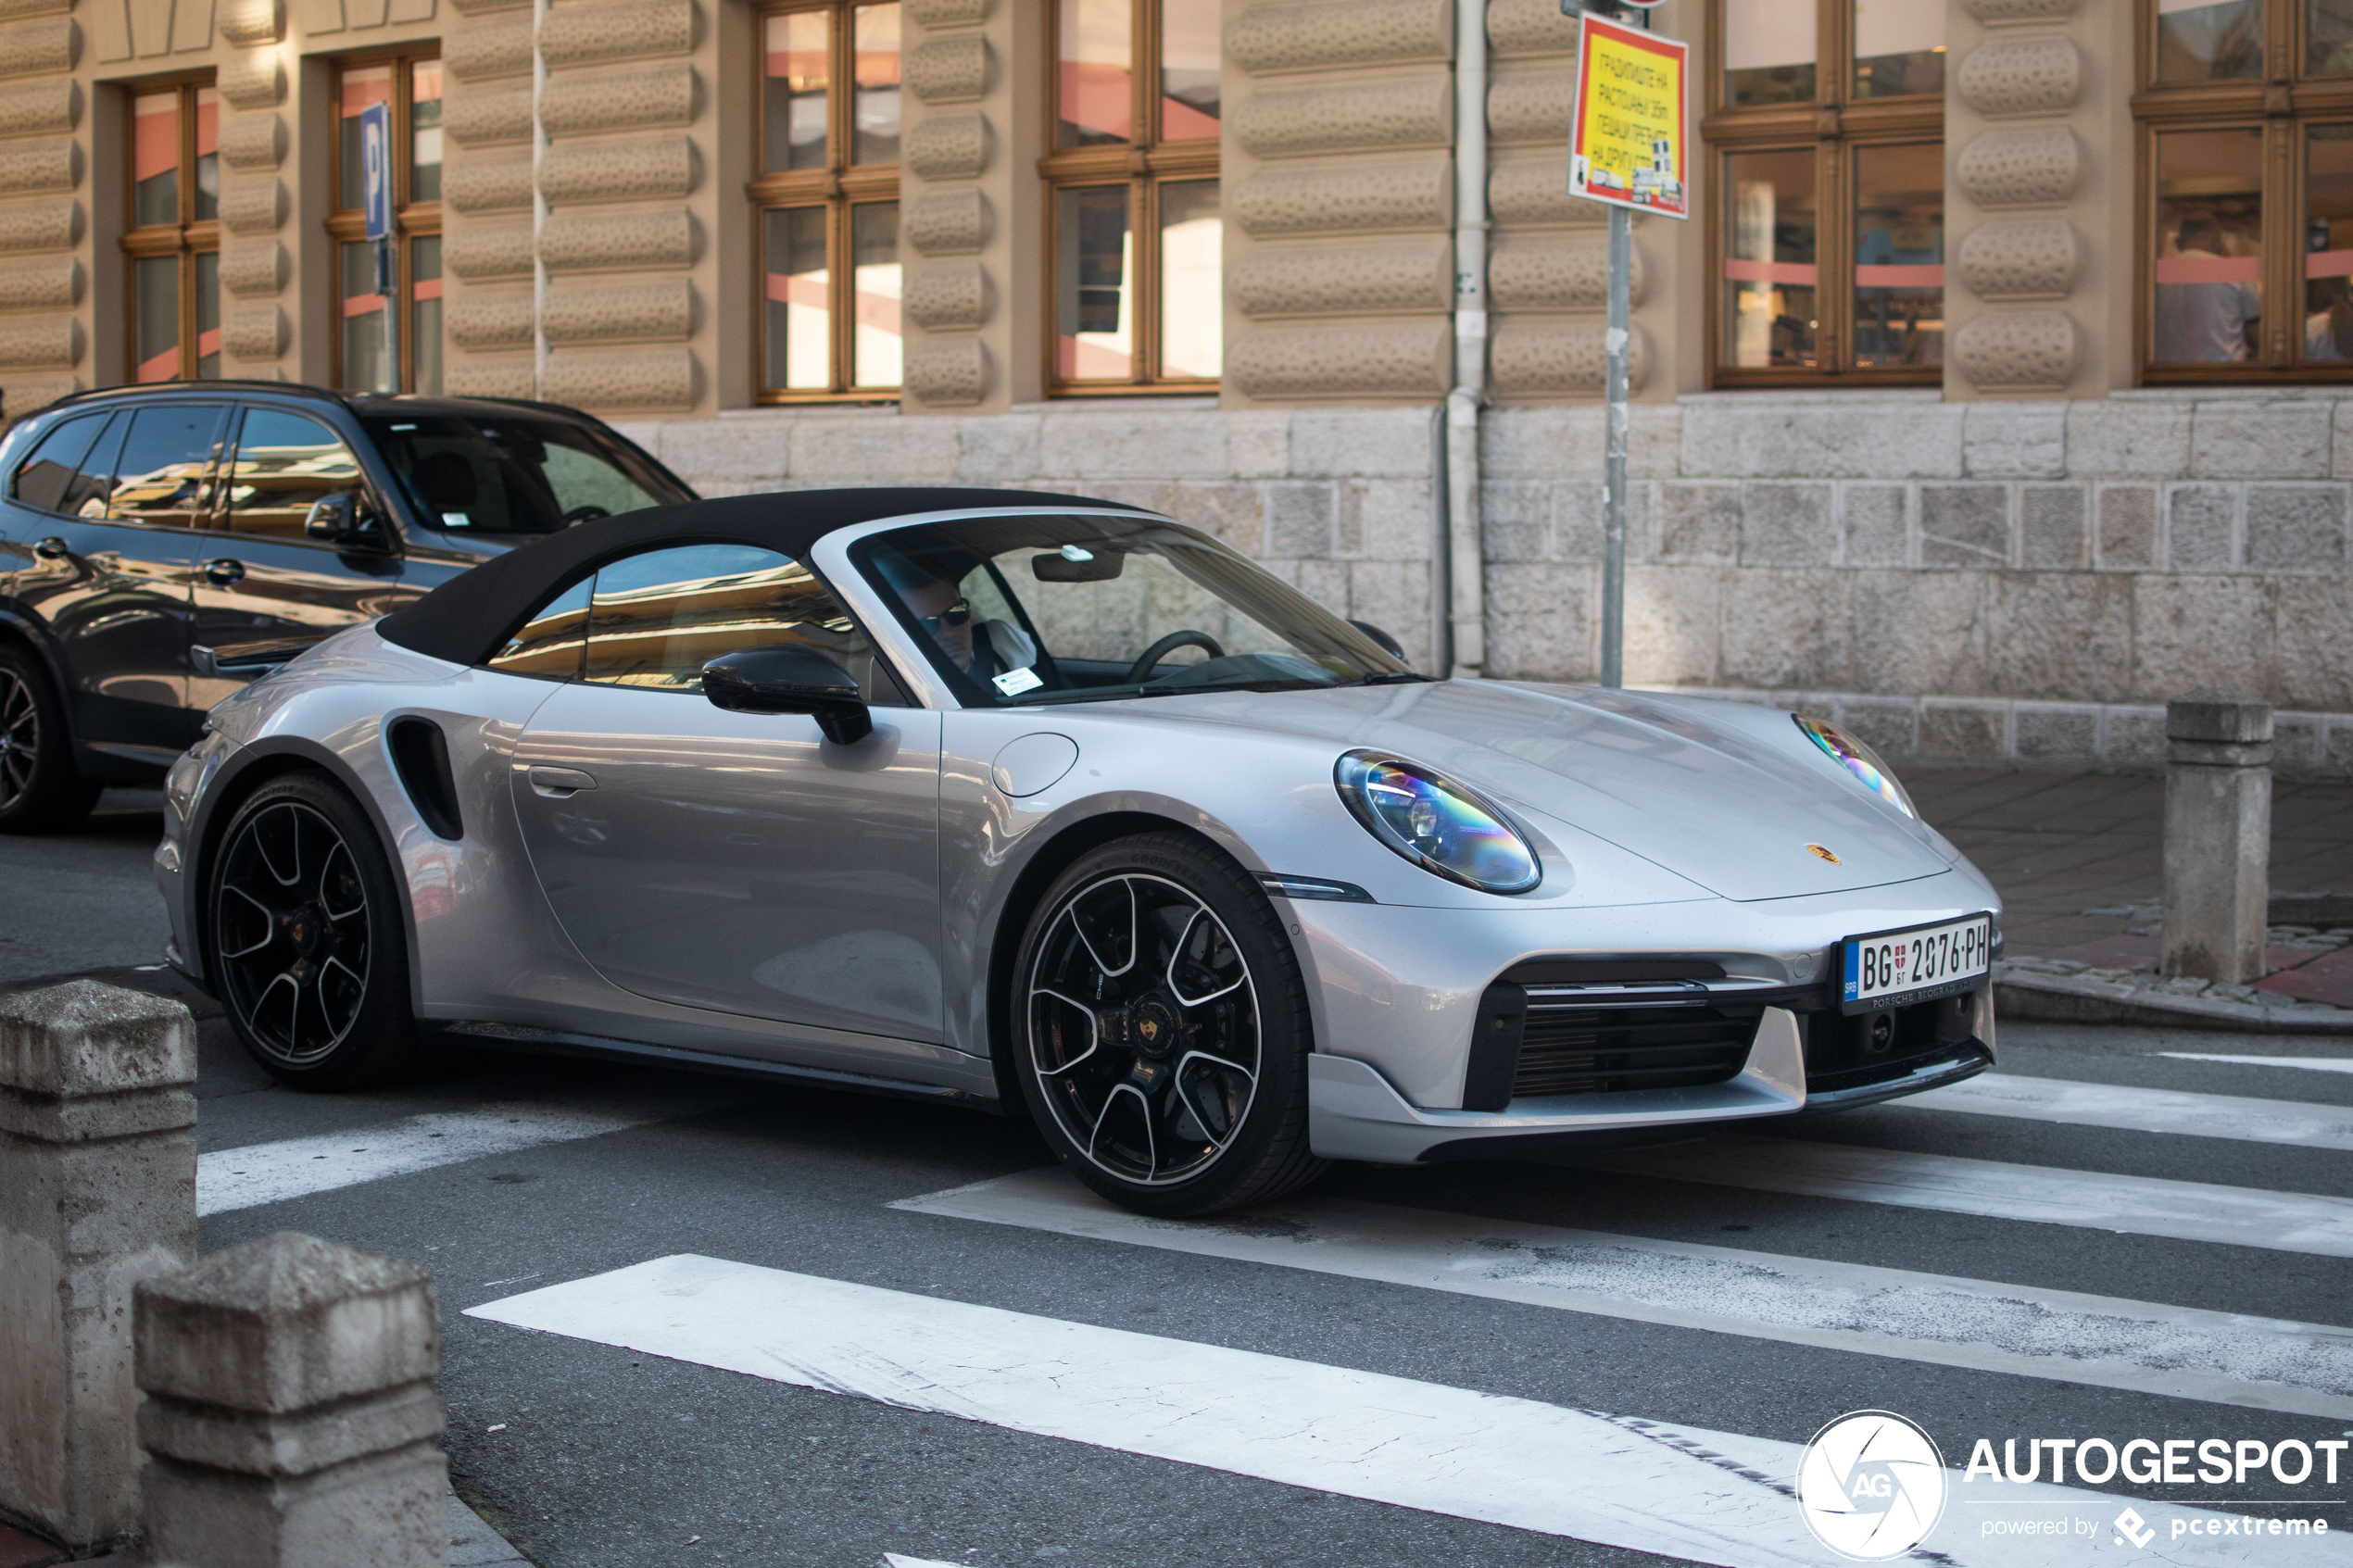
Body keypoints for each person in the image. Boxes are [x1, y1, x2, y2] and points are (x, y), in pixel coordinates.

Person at [884, 548, 1038, 686]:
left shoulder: (1000, 641)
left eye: (956, 613)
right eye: (928, 624)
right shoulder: (904, 688)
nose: (949, 633)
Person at [2154, 216, 2261, 363]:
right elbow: (2255, 333)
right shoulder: (2234, 271)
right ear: (2209, 238)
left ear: (2178, 243)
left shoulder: (2157, 275)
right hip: (2224, 375)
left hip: (2169, 376)